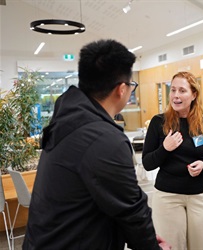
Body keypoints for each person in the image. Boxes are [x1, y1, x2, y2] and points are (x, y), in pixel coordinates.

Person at [23, 39, 170, 250]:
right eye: (131, 86)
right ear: (121, 89)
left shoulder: (68, 119)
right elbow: (132, 210)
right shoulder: (103, 139)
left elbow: (110, 198)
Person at [142, 71, 203, 249]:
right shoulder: (158, 123)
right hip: (167, 196)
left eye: (182, 90)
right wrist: (165, 148)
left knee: (200, 246)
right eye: (173, 90)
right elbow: (148, 163)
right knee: (171, 246)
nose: (176, 96)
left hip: (202, 195)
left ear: (194, 94)